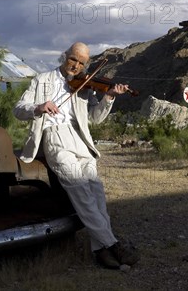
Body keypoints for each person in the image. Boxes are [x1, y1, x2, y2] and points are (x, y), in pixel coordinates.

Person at [13, 42, 139, 269]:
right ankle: (112, 244)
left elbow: (94, 119)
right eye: (73, 60)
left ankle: (100, 249)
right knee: (80, 189)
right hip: (54, 137)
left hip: (80, 139)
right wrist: (39, 106)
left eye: (81, 63)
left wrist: (108, 97)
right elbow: (18, 108)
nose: (76, 66)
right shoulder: (41, 80)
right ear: (64, 57)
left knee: (96, 191)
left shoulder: (86, 84)